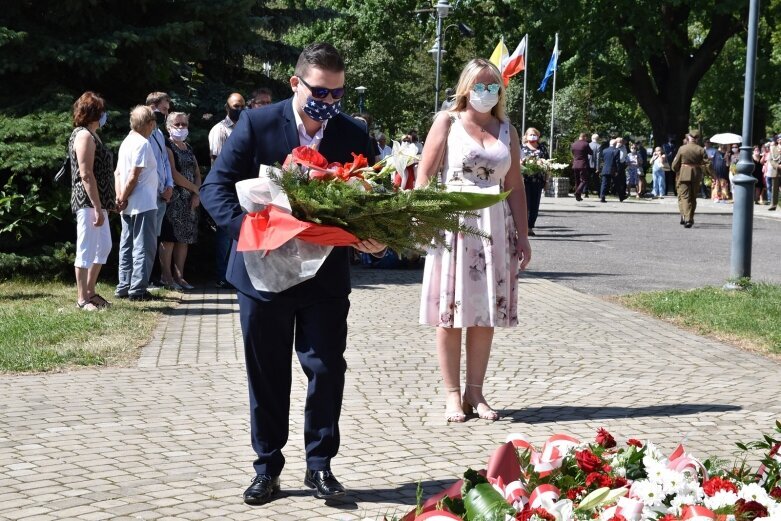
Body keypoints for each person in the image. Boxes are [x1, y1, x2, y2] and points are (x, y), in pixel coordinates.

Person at [199, 42, 380, 506]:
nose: (329, 103)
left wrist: (375, 238)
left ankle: (320, 466)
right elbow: (215, 186)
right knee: (268, 373)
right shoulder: (257, 123)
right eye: (321, 91)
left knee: (326, 368)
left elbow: (377, 200)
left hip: (324, 279)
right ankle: (267, 467)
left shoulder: (354, 133)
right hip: (261, 275)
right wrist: (253, 229)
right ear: (296, 83)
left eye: (337, 94)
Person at [415, 58, 532, 424]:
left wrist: (523, 236)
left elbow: (514, 186)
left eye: (492, 85)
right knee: (450, 314)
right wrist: (421, 219)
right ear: (465, 87)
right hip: (454, 223)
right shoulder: (447, 122)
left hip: (495, 225)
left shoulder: (507, 130)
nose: (486, 92)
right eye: (479, 85)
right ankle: (452, 395)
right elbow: (424, 174)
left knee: (484, 313)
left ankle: (475, 392)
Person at [69, 91, 115, 311]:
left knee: (104, 246)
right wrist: (97, 207)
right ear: (95, 113)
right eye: (102, 111)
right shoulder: (84, 136)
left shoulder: (92, 135)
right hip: (88, 202)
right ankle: (82, 299)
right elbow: (86, 174)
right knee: (86, 249)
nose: (105, 114)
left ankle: (90, 291)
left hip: (99, 202)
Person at [114, 106, 159, 301]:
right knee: (143, 246)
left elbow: (117, 173)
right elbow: (133, 175)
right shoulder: (142, 143)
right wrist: (123, 197)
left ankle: (124, 285)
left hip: (128, 202)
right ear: (150, 124)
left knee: (127, 245)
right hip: (143, 202)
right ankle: (138, 289)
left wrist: (120, 197)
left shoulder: (126, 141)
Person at [208, 92, 246, 289]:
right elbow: (216, 162)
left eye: (241, 106)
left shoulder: (246, 127)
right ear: (227, 107)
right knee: (224, 235)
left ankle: (234, 275)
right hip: (226, 189)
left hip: (244, 188)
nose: (238, 110)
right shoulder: (219, 130)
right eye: (235, 106)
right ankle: (222, 275)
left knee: (239, 234)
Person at [159, 112, 201, 290]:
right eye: (178, 124)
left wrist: (197, 194)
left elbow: (197, 173)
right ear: (169, 127)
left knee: (184, 239)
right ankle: (166, 276)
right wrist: (194, 189)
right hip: (173, 199)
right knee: (169, 239)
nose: (182, 127)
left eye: (184, 124)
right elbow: (174, 174)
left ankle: (180, 276)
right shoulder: (167, 146)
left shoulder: (188, 147)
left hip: (189, 201)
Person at [145, 92, 175, 288]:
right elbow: (148, 166)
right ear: (153, 107)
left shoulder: (158, 133)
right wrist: (159, 188)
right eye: (163, 109)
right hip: (151, 193)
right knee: (147, 238)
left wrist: (170, 185)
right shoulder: (144, 134)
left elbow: (164, 161)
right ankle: (144, 278)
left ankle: (152, 275)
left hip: (163, 192)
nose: (165, 114)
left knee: (154, 238)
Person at [671, 130, 709, 228]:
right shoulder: (701, 149)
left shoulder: (682, 149)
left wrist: (675, 169)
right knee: (693, 197)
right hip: (696, 175)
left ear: (690, 138)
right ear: (697, 138)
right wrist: (712, 175)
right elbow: (707, 164)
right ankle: (689, 217)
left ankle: (687, 218)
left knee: (684, 197)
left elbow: (675, 164)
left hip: (683, 175)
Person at [521, 127, 547, 236]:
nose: (532, 136)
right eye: (530, 134)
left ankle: (530, 226)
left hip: (538, 180)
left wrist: (546, 180)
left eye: (535, 134)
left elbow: (547, 164)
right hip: (525, 180)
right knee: (525, 204)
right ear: (526, 136)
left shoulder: (542, 148)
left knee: (534, 205)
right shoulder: (522, 149)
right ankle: (523, 227)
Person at [571, 132, 592, 201]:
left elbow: (573, 153)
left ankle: (578, 197)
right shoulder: (585, 144)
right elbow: (591, 152)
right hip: (583, 164)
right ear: (584, 137)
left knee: (577, 181)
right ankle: (577, 192)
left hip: (575, 164)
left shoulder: (573, 144)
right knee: (584, 180)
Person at [599, 138, 620, 202]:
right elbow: (617, 162)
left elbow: (603, 159)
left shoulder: (604, 150)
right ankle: (621, 196)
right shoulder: (617, 151)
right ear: (615, 144)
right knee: (617, 183)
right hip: (613, 169)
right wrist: (617, 170)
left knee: (604, 183)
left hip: (605, 168)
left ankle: (602, 196)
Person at [767, 135, 780, 211]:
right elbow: (771, 160)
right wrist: (778, 166)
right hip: (776, 171)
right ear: (777, 140)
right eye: (779, 139)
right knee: (774, 188)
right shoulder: (773, 149)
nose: (780, 140)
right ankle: (773, 204)